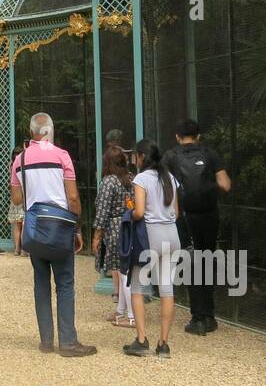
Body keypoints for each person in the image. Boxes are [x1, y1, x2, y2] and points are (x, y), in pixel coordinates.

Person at [10, 113, 96, 357]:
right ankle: (68, 342)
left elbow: (16, 199)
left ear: (32, 132)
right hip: (60, 226)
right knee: (65, 283)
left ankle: (46, 341)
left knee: (41, 282)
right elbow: (73, 197)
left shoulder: (20, 159)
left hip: (34, 227)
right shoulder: (62, 156)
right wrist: (77, 226)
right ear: (49, 130)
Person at [165, 119, 231, 335]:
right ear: (198, 136)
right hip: (209, 216)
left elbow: (164, 188)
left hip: (184, 218)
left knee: (191, 264)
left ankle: (197, 318)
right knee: (207, 261)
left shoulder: (171, 157)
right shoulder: (210, 154)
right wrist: (209, 192)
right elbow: (225, 184)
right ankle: (210, 316)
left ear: (177, 136)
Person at [123, 139, 181, 359]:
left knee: (137, 287)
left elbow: (138, 212)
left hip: (151, 235)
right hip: (172, 235)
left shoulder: (141, 178)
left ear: (141, 157)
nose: (132, 159)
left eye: (134, 156)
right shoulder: (170, 178)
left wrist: (128, 214)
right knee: (167, 289)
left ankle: (141, 340)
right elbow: (176, 212)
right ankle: (163, 344)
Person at [93, 143, 135, 328]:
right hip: (130, 225)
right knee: (124, 269)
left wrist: (97, 235)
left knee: (122, 270)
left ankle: (132, 316)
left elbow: (102, 209)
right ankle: (120, 310)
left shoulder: (109, 181)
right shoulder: (130, 179)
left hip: (114, 228)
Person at [8, 145, 26, 255]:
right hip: (24, 195)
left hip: (15, 195)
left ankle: (17, 249)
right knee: (23, 223)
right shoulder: (24, 164)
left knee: (17, 224)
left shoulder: (11, 165)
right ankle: (24, 249)